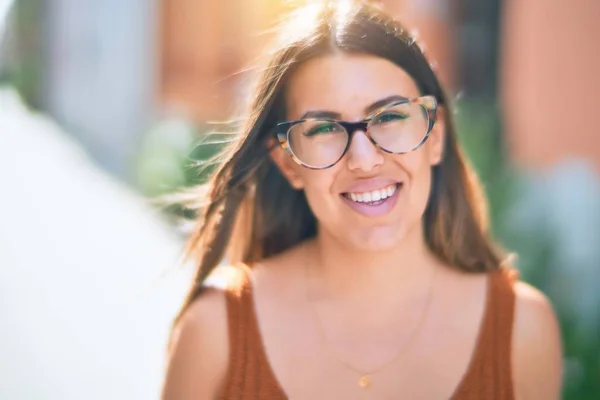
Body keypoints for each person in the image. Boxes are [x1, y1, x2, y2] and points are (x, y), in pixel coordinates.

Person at [161, 1, 562, 398]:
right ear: (288, 163)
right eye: (323, 129)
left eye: (388, 117)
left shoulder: (521, 333)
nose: (364, 160)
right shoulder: (214, 334)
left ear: (434, 136)